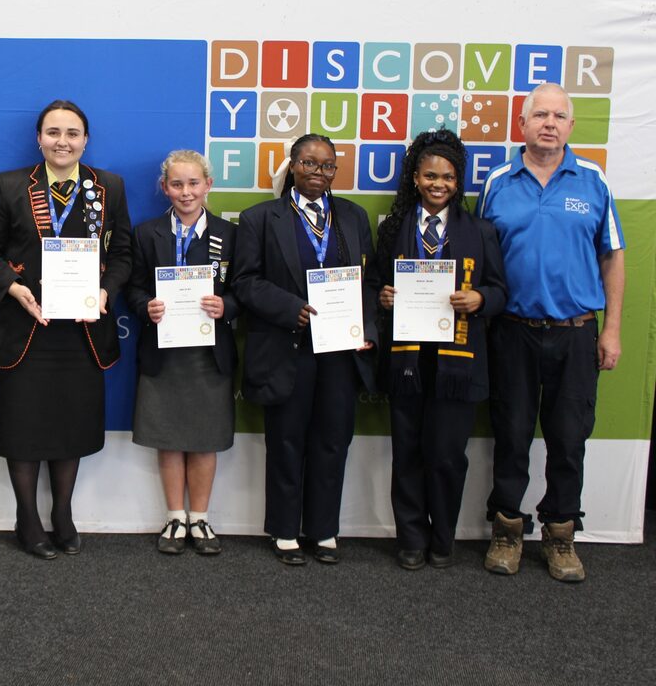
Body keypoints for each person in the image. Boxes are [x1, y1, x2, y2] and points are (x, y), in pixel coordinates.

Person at [0, 99, 132, 559]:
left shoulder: (109, 187)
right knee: (23, 425)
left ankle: (63, 512)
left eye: (72, 133)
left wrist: (104, 293)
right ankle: (27, 517)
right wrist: (13, 288)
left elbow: (123, 256)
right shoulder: (12, 184)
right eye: (54, 132)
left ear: (85, 140)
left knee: (70, 422)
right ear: (39, 138)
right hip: (26, 328)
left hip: (80, 331)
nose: (63, 142)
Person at [475, 82, 624, 582]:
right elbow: (477, 259)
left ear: (571, 126)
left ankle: (561, 533)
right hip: (512, 332)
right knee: (512, 433)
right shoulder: (498, 181)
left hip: (577, 332)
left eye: (559, 116)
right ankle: (507, 529)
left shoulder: (592, 180)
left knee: (568, 437)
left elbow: (612, 257)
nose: (550, 124)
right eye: (540, 114)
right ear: (522, 124)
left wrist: (613, 331)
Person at [230, 133, 377, 565]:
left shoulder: (352, 217)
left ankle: (323, 529)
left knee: (333, 440)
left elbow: (367, 283)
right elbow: (245, 281)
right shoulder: (261, 218)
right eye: (310, 164)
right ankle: (284, 530)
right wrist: (289, 308)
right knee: (287, 441)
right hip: (286, 346)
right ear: (292, 166)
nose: (319, 172)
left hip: (339, 350)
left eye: (327, 165)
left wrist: (365, 325)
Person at [374, 130, 507, 570]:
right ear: (415, 178)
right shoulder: (393, 228)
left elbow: (502, 291)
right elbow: (374, 283)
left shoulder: (481, 231)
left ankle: (443, 537)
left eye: (448, 177)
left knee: (448, 456)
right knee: (408, 452)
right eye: (430, 175)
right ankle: (411, 537)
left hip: (459, 362)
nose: (438, 184)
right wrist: (384, 297)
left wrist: (481, 299)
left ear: (458, 181)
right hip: (407, 359)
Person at [126, 150, 237, 555]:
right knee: (169, 437)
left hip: (209, 353)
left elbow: (243, 288)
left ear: (208, 185)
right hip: (163, 350)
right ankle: (175, 516)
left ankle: (201, 519)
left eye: (193, 183)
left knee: (204, 438)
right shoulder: (146, 233)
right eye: (177, 184)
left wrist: (228, 306)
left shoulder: (230, 234)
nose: (186, 192)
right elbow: (133, 287)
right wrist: (145, 306)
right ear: (164, 188)